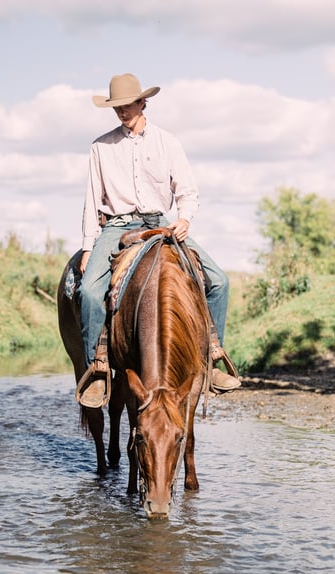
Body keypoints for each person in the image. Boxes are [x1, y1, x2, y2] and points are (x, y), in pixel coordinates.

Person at [76, 73, 240, 408]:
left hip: (162, 225)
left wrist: (184, 219)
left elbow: (188, 191)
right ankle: (98, 368)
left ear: (142, 102)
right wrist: (89, 245)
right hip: (117, 228)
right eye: (116, 107)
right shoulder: (100, 147)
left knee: (220, 281)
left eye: (127, 105)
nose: (122, 112)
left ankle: (211, 356)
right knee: (89, 292)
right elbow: (92, 199)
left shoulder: (168, 143)